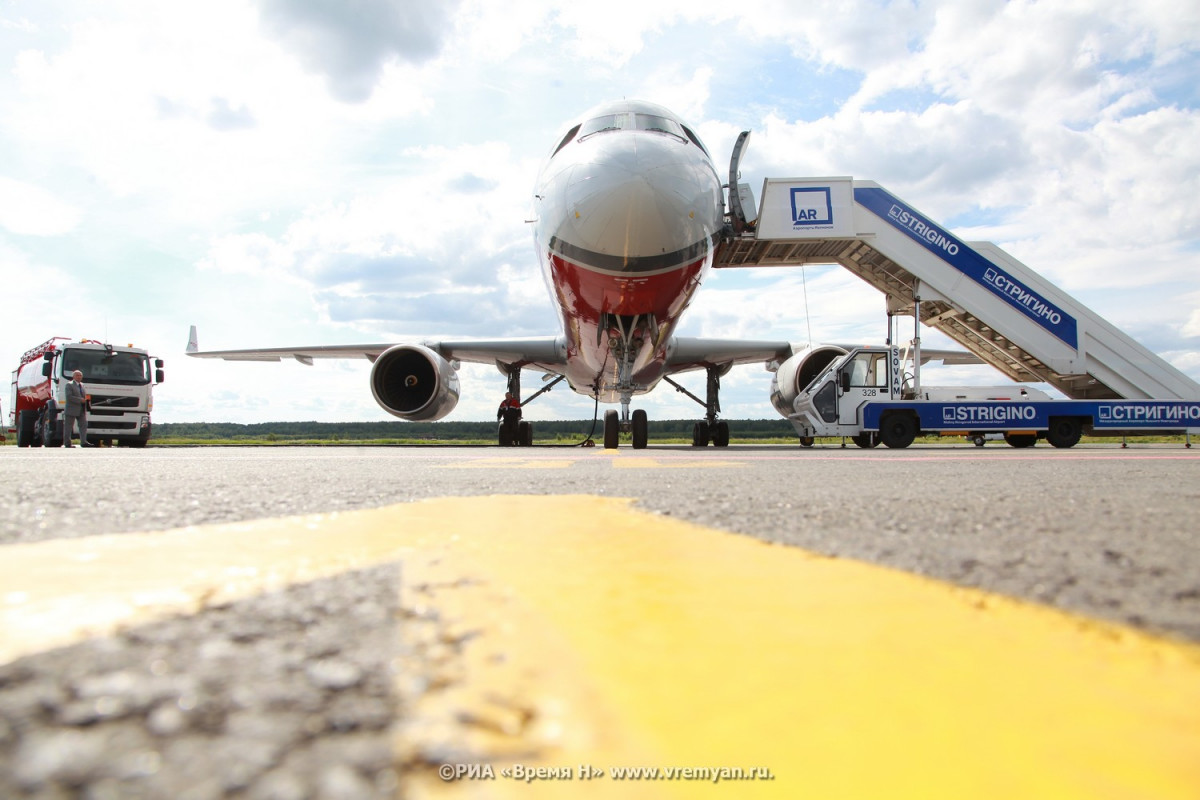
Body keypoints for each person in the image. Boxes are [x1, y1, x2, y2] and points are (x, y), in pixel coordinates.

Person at [62, 369, 90, 448]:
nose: (79, 377)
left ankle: (84, 442)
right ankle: (67, 443)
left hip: (81, 409)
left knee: (83, 425)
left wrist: (87, 401)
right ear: (73, 376)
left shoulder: (82, 385)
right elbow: (69, 396)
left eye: (80, 375)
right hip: (72, 409)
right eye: (77, 375)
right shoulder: (69, 385)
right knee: (68, 427)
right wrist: (80, 400)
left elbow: (84, 395)